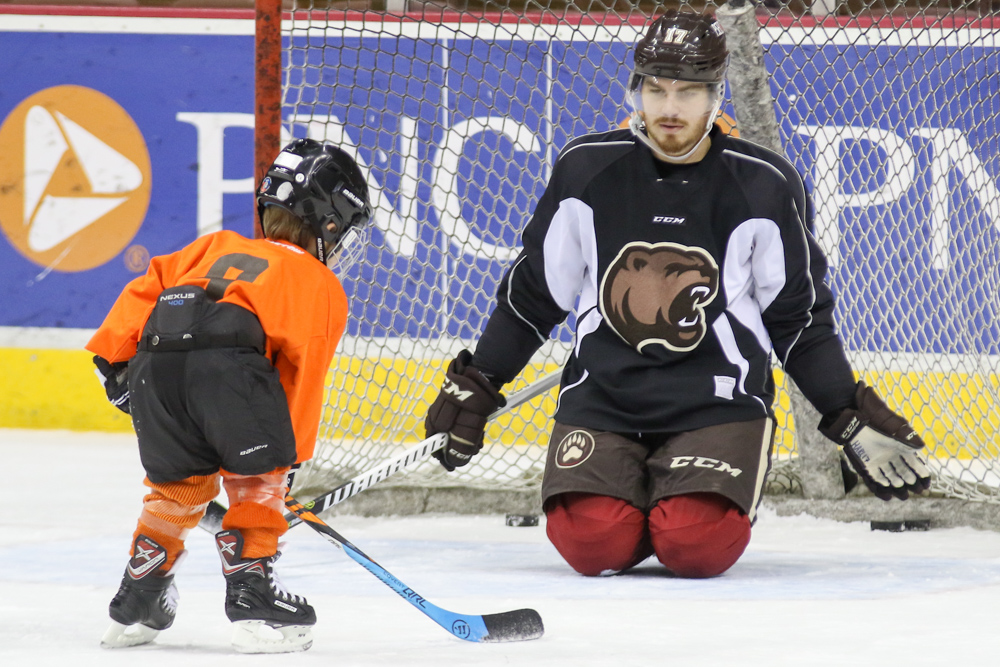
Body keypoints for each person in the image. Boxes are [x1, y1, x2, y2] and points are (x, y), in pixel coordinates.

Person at [423, 10, 931, 579]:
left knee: (695, 543)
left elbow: (798, 320)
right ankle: (636, 506)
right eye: (656, 89)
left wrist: (846, 414)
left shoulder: (763, 184)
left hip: (718, 402)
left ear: (717, 96)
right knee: (591, 544)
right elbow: (534, 297)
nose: (669, 108)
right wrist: (478, 383)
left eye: (688, 92)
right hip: (605, 398)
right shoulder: (587, 171)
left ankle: (671, 504)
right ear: (635, 91)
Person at [89, 138, 373, 652]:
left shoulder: (214, 244)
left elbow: (147, 285)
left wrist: (114, 363)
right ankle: (252, 595)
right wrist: (284, 463)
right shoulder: (318, 281)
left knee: (178, 486)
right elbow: (300, 377)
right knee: (256, 481)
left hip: (152, 365)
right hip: (230, 369)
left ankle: (140, 594)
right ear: (329, 223)